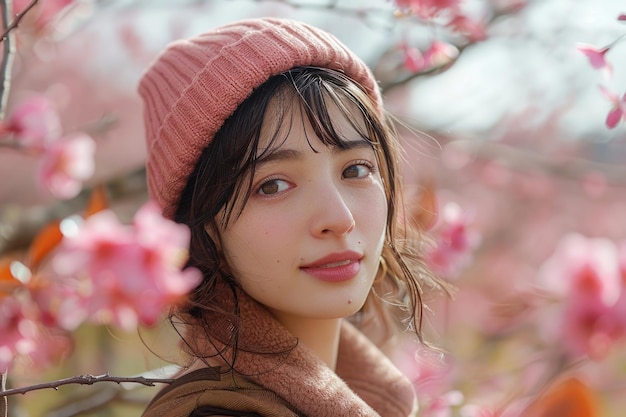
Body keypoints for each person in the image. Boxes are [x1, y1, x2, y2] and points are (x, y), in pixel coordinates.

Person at [138, 17, 447, 417]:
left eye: (355, 170)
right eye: (273, 186)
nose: (338, 218)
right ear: (204, 228)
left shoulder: (379, 397)